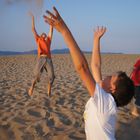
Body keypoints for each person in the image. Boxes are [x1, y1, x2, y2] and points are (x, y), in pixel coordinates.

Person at [43, 7, 135, 140]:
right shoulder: (104, 98)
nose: (107, 76)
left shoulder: (106, 103)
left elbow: (83, 68)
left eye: (111, 77)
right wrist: (96, 40)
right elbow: (95, 66)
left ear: (112, 88)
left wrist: (64, 31)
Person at [28, 13, 55, 97]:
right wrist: (33, 18)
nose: (45, 34)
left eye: (46, 34)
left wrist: (51, 19)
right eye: (43, 34)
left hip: (48, 59)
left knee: (52, 75)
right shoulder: (38, 39)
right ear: (41, 35)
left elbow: (51, 29)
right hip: (41, 59)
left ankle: (49, 89)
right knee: (36, 75)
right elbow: (33, 29)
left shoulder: (49, 40)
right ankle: (32, 87)